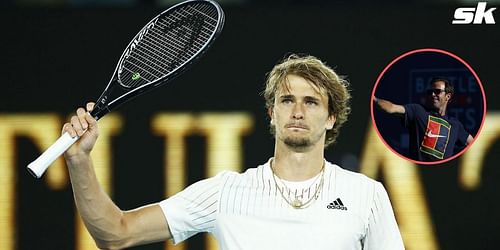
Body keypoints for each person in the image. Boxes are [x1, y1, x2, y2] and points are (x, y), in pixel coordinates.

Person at [64, 54, 404, 249]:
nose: (297, 111)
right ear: (272, 113)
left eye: (311, 102)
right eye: (287, 100)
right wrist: (79, 161)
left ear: (331, 118)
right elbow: (116, 233)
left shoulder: (366, 195)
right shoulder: (225, 193)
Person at [374, 77, 474, 161]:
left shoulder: (455, 125)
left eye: (437, 91)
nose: (433, 94)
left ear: (447, 96)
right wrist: (374, 99)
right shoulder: (417, 112)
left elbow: (473, 143)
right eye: (430, 91)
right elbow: (391, 108)